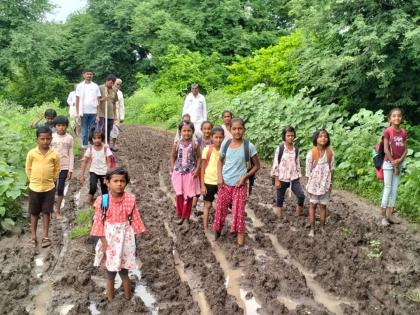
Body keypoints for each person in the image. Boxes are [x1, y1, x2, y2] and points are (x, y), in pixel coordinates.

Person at [91, 167, 146, 301]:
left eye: (122, 181)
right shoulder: (103, 200)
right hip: (109, 239)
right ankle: (110, 298)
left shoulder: (130, 199)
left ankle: (127, 298)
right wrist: (104, 242)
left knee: (124, 271)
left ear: (126, 183)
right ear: (107, 182)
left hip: (125, 240)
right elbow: (99, 222)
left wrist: (138, 236)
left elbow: (135, 218)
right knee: (110, 273)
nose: (119, 184)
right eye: (115, 181)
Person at [212, 118, 260, 246]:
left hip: (240, 185)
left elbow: (256, 165)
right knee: (220, 209)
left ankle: (240, 242)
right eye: (234, 129)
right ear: (230, 130)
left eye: (240, 128)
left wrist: (245, 177)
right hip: (225, 183)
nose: (237, 131)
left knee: (238, 213)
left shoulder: (248, 146)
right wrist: (220, 177)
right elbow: (220, 161)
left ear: (244, 129)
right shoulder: (225, 144)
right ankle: (217, 232)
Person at [25, 126, 60, 247]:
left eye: (48, 139)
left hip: (49, 188)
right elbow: (28, 168)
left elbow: (57, 169)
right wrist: (32, 180)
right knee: (34, 213)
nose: (45, 141)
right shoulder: (32, 153)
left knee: (46, 212)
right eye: (42, 139)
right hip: (34, 188)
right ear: (37, 140)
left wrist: (53, 180)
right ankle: (33, 237)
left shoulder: (54, 154)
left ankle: (46, 237)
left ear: (51, 139)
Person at [170, 121, 201, 227]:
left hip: (190, 174)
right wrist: (173, 168)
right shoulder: (177, 143)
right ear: (180, 131)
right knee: (179, 194)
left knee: (189, 196)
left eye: (189, 131)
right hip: (178, 172)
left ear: (192, 132)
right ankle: (180, 215)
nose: (186, 133)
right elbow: (173, 156)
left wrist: (197, 169)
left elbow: (200, 157)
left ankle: (186, 217)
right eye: (184, 130)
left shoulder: (195, 144)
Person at [271, 126, 305, 223]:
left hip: (293, 178)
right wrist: (276, 179)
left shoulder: (296, 149)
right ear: (284, 136)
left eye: (292, 135)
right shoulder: (280, 148)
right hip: (281, 178)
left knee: (301, 195)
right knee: (280, 199)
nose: (290, 137)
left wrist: (299, 175)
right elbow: (275, 164)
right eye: (288, 135)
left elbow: (297, 163)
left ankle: (298, 216)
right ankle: (279, 218)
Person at [380, 108, 407, 226]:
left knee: (395, 190)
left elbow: (405, 149)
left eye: (399, 116)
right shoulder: (388, 131)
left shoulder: (404, 132)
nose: (397, 118)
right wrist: (393, 162)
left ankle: (390, 215)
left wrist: (399, 161)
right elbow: (386, 149)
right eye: (394, 116)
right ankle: (383, 217)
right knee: (388, 188)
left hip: (398, 163)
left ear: (402, 118)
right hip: (388, 163)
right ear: (390, 118)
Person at [305, 129, 334, 237]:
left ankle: (322, 227)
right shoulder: (311, 153)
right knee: (312, 205)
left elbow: (332, 169)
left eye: (325, 136)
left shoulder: (330, 153)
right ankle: (312, 228)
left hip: (325, 183)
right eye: (321, 136)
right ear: (316, 139)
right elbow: (308, 172)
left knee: (323, 206)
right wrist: (309, 185)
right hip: (314, 184)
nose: (323, 138)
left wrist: (330, 184)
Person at [80, 129, 113, 205]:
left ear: (102, 138)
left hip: (104, 172)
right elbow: (85, 162)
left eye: (99, 138)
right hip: (93, 170)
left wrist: (107, 175)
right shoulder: (90, 149)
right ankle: (90, 200)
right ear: (92, 139)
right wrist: (82, 175)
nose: (97, 140)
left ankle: (105, 204)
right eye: (95, 138)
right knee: (93, 187)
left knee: (104, 189)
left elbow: (109, 162)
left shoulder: (105, 148)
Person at [201, 126, 224, 230]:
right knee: (207, 205)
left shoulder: (226, 150)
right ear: (211, 137)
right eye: (216, 137)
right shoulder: (207, 150)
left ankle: (217, 226)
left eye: (220, 137)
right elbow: (202, 168)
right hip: (209, 181)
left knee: (221, 205)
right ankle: (205, 228)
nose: (218, 140)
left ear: (224, 138)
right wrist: (202, 185)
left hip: (221, 182)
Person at [51, 116, 74, 220]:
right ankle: (50, 209)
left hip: (64, 166)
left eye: (63, 125)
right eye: (59, 125)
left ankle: (58, 210)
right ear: (55, 126)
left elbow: (71, 154)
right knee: (52, 188)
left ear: (66, 126)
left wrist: (71, 169)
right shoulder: (51, 137)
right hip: (52, 167)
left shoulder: (69, 138)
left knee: (60, 189)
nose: (61, 127)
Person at [75, 69, 101, 149]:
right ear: (84, 75)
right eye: (87, 74)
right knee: (84, 128)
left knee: (92, 128)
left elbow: (98, 100)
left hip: (93, 111)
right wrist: (77, 113)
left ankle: (92, 142)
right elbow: (77, 100)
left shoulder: (95, 86)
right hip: (83, 111)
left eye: (91, 74)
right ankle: (84, 143)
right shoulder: (79, 86)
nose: (89, 75)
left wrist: (98, 114)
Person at [98, 74, 118, 143]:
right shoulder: (100, 88)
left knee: (109, 130)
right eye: (110, 83)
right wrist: (103, 99)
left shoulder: (114, 90)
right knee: (102, 129)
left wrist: (115, 115)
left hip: (110, 114)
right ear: (106, 81)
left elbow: (114, 103)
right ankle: (101, 143)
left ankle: (108, 144)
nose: (111, 85)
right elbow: (96, 100)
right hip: (101, 113)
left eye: (113, 83)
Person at [110, 78, 125, 151]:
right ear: (113, 83)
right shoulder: (108, 90)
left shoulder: (120, 93)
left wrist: (122, 116)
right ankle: (106, 144)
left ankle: (113, 145)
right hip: (108, 112)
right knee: (107, 129)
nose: (118, 86)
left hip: (117, 113)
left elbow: (122, 105)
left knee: (115, 130)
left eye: (119, 84)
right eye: (117, 84)